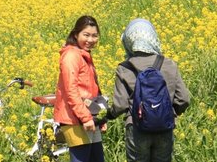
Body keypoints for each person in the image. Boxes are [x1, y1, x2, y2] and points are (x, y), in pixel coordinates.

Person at [107, 18, 190, 162]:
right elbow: (184, 99)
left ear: (129, 40)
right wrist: (168, 113)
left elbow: (120, 105)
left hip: (136, 128)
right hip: (164, 126)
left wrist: (106, 116)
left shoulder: (124, 68)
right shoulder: (169, 64)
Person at [53, 15, 105, 162]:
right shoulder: (71, 55)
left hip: (88, 117)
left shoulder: (83, 55)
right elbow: (71, 90)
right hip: (74, 120)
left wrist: (99, 118)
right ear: (76, 34)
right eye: (86, 35)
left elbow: (92, 89)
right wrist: (86, 117)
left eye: (94, 36)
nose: (90, 40)